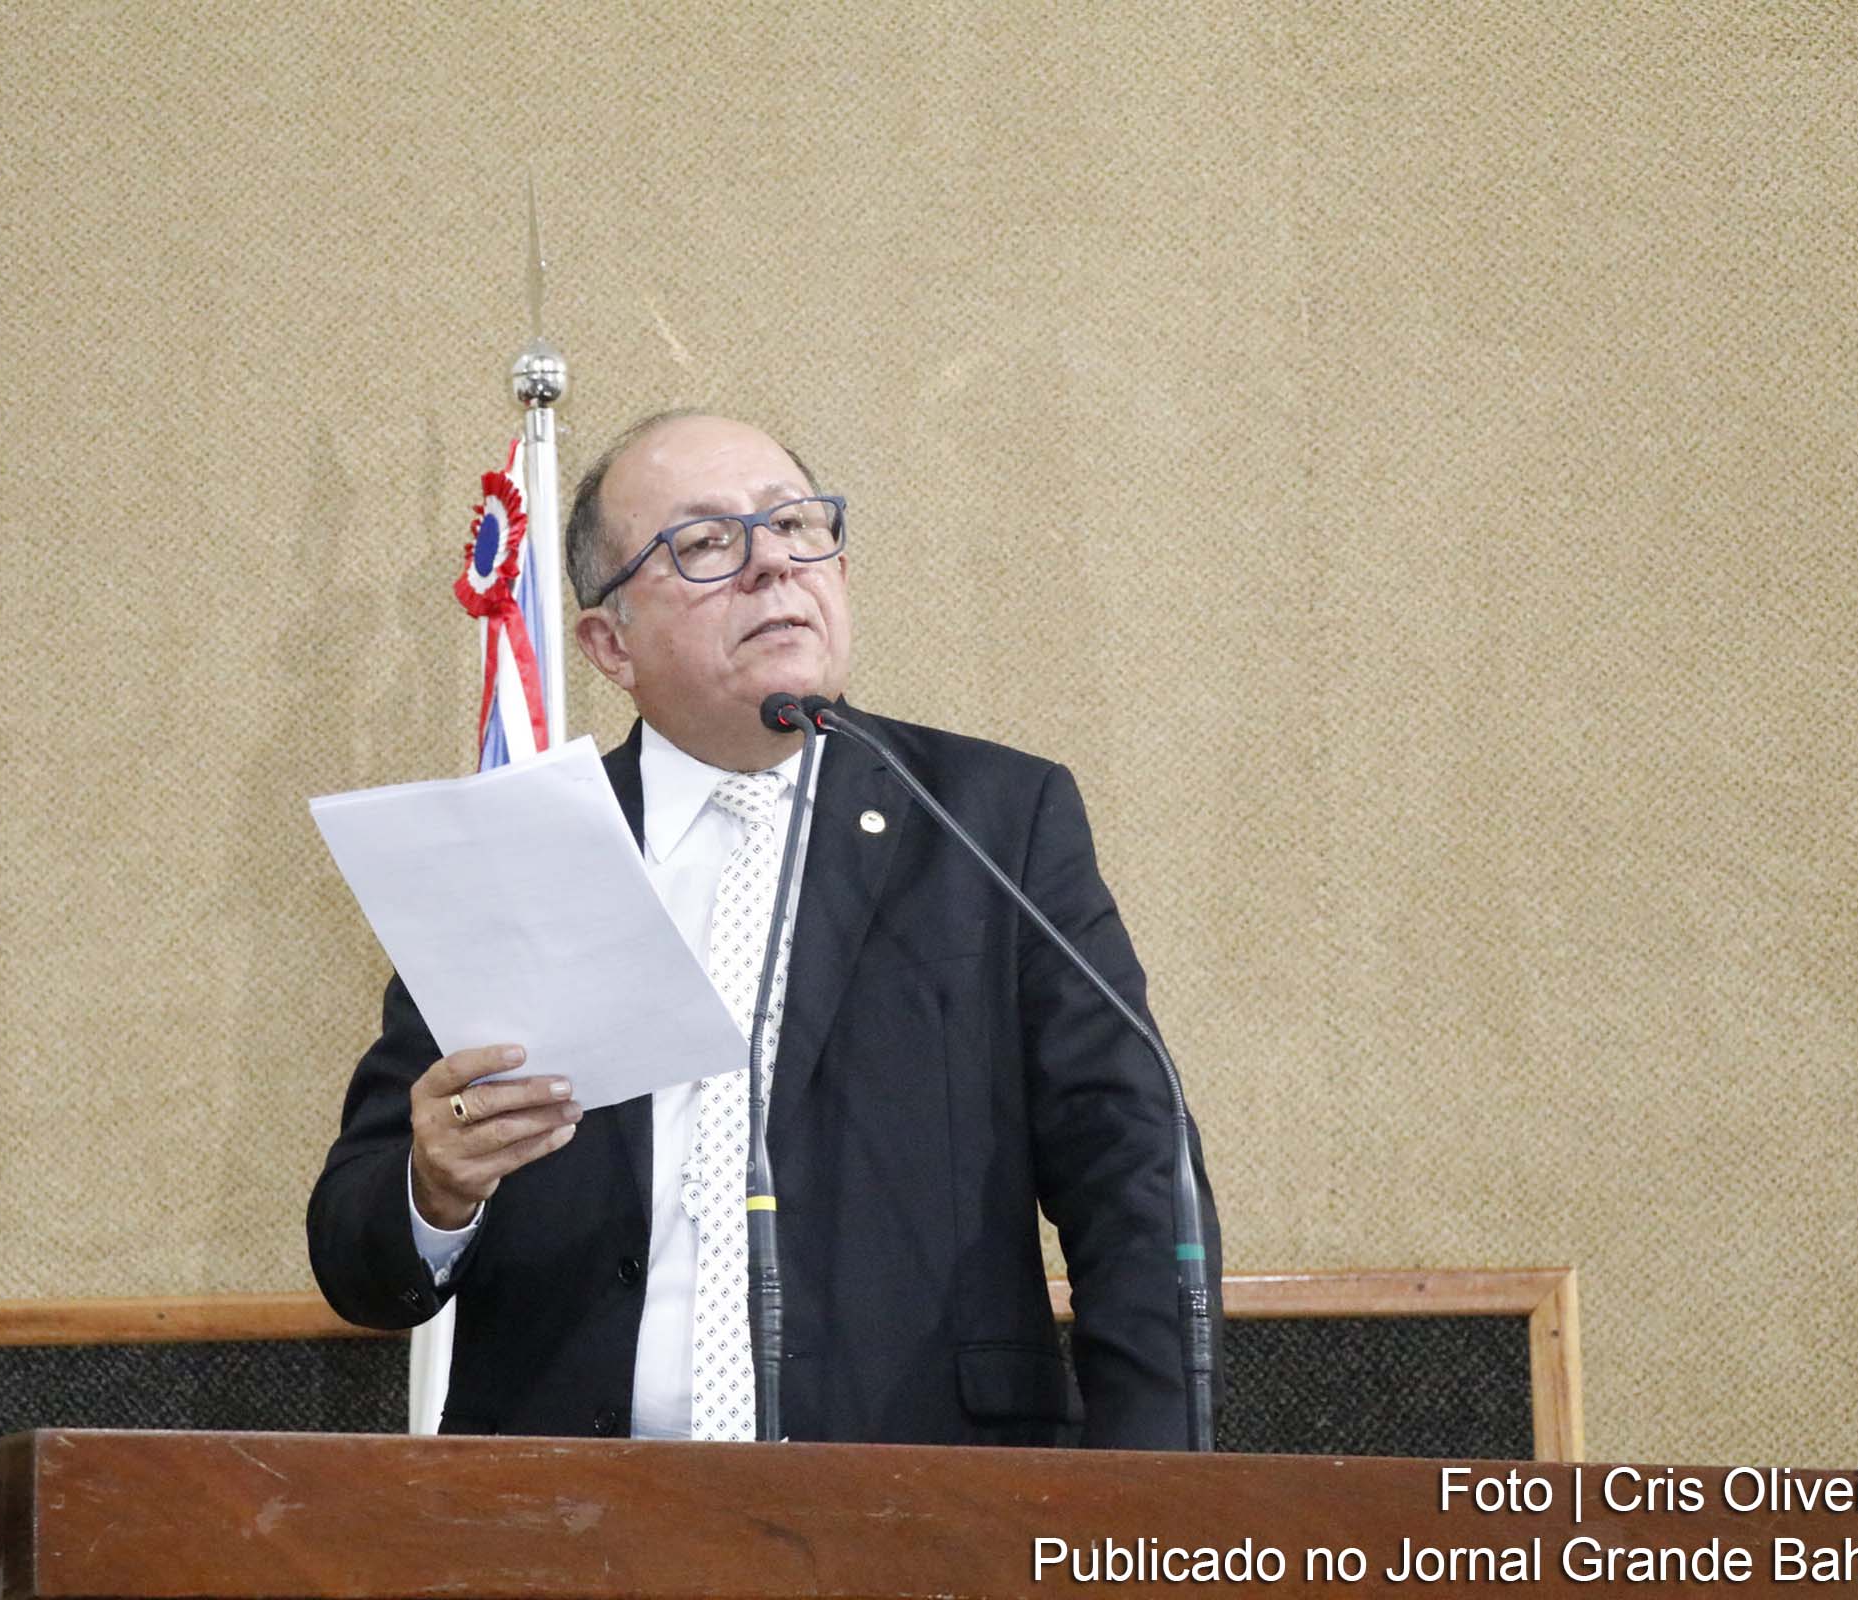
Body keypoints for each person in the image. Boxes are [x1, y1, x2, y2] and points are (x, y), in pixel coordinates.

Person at [307, 411, 1220, 1448]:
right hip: (564, 1520)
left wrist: (1145, 1509)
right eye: (705, 544)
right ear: (611, 644)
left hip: (922, 1506)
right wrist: (434, 1190)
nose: (774, 564)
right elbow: (356, 1257)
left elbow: (1136, 1178)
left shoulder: (990, 823)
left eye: (797, 525)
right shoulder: (516, 855)